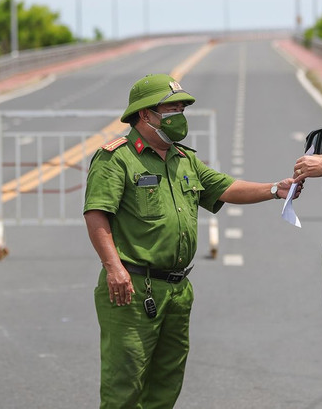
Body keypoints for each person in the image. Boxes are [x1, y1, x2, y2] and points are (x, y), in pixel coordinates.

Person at [84, 73, 301, 408]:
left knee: (166, 381)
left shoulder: (184, 160)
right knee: (124, 384)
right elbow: (96, 213)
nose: (180, 117)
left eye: (182, 110)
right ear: (146, 115)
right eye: (172, 110)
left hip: (176, 289)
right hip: (133, 287)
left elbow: (225, 188)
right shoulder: (117, 158)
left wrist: (275, 190)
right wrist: (114, 268)